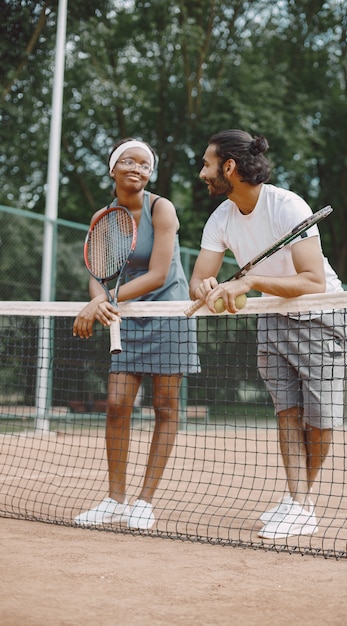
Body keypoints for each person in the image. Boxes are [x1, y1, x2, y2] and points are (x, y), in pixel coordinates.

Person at [189, 129, 347, 540]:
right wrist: (207, 289)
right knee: (287, 414)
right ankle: (298, 501)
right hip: (273, 318)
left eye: (208, 164)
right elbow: (199, 281)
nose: (202, 172)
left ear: (229, 167)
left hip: (321, 317)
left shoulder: (287, 205)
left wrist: (247, 282)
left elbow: (313, 281)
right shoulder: (221, 217)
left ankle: (301, 500)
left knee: (321, 422)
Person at [72, 138, 200, 530]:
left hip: (168, 313)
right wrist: (100, 301)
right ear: (112, 169)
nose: (137, 168)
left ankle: (145, 502)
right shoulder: (104, 216)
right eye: (128, 161)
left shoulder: (162, 209)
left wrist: (104, 301)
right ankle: (115, 499)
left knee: (164, 408)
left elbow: (159, 274)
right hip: (127, 316)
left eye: (145, 164)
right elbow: (97, 272)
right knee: (116, 404)